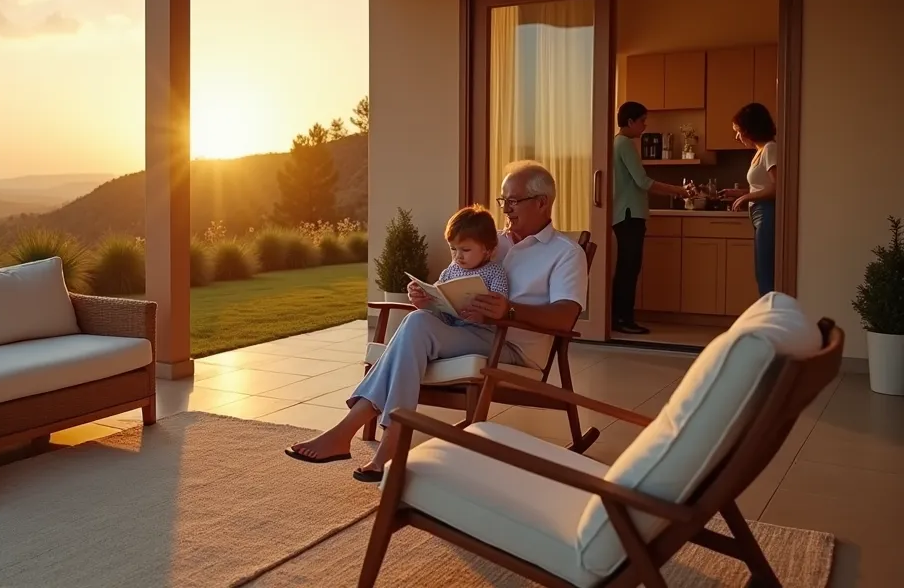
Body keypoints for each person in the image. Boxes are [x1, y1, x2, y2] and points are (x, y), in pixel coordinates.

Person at [284, 161, 589, 482]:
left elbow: (566, 316)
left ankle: (355, 434)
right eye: (503, 201)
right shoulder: (490, 242)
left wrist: (510, 311)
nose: (506, 209)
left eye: (513, 201)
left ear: (542, 202)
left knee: (414, 330)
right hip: (468, 331)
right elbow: (456, 285)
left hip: (511, 346)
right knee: (417, 321)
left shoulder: (565, 253)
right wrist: (431, 299)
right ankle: (376, 438)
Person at [610, 101, 692, 334]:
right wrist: (678, 190)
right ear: (630, 122)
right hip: (629, 214)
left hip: (623, 214)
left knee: (627, 267)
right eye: (643, 120)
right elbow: (643, 182)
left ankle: (619, 318)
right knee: (629, 268)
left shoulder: (618, 144)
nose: (645, 126)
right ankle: (623, 319)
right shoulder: (625, 144)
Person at [722, 102, 778, 295]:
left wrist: (747, 196)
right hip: (758, 214)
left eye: (739, 131)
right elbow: (762, 187)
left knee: (766, 274)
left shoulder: (770, 149)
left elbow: (778, 188)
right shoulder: (759, 152)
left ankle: (770, 320)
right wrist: (738, 193)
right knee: (761, 272)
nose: (737, 137)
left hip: (766, 214)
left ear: (750, 129)